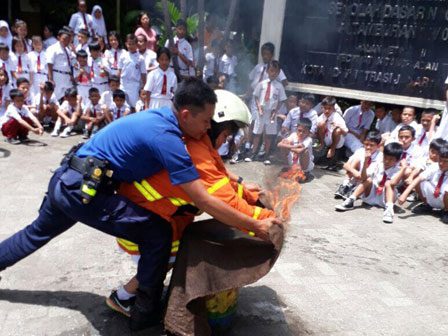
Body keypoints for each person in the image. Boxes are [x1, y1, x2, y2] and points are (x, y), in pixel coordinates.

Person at [0, 78, 279, 332]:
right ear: (186, 114)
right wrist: (255, 224)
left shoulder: (162, 119)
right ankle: (142, 311)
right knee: (157, 233)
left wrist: (240, 183)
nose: (208, 127)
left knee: (34, 234)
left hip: (67, 179)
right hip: (85, 192)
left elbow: (214, 170)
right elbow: (204, 197)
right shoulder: (169, 140)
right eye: (206, 121)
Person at [106, 89, 272, 316]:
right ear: (214, 126)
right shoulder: (195, 151)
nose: (225, 141)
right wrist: (269, 220)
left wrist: (247, 192)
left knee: (172, 254)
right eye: (226, 135)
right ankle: (124, 297)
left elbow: (222, 177)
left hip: (151, 212)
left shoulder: (200, 141)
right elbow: (226, 199)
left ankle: (137, 294)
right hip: (141, 217)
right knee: (168, 258)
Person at [336, 142, 407, 224]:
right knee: (369, 180)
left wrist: (403, 169)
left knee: (388, 183)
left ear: (397, 160)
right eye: (385, 158)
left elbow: (393, 183)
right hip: (372, 194)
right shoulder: (378, 164)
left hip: (386, 198)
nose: (387, 161)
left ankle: (389, 210)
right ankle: (350, 200)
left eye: (391, 159)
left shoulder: (398, 169)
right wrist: (366, 162)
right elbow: (363, 178)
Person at [245, 60, 286, 165]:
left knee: (268, 135)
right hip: (261, 111)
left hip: (271, 112)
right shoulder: (262, 84)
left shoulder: (279, 86)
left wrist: (275, 112)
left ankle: (266, 155)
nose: (273, 73)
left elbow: (281, 100)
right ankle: (253, 153)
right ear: (267, 71)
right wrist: (259, 108)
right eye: (271, 71)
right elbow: (256, 96)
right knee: (257, 133)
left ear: (278, 72)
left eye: (275, 72)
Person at [399, 144, 448, 223]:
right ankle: (426, 205)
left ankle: (446, 211)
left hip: (445, 198)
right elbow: (419, 178)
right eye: (440, 160)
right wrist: (404, 194)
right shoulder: (434, 166)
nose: (441, 163)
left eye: (445, 161)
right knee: (419, 180)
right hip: (434, 195)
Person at [334, 131, 383, 199]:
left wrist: (366, 161)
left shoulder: (380, 157)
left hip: (367, 184)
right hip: (357, 177)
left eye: (371, 145)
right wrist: (355, 172)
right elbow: (345, 165)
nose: (368, 147)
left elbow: (365, 177)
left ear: (378, 146)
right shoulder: (361, 151)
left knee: (366, 178)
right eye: (366, 144)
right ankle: (345, 185)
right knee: (356, 160)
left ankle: (354, 190)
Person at [117, 34, 146, 109]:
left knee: (134, 106)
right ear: (126, 44)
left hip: (135, 85)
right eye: (129, 44)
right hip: (123, 84)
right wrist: (117, 83)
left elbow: (143, 74)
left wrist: (144, 86)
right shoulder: (123, 56)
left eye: (133, 44)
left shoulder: (140, 58)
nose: (131, 46)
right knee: (123, 105)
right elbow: (119, 70)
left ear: (136, 45)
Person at [47, 29, 74, 101]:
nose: (66, 41)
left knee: (68, 95)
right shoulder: (53, 48)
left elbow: (69, 64)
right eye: (64, 39)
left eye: (68, 40)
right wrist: (51, 79)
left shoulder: (68, 49)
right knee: (56, 96)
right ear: (58, 38)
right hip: (57, 74)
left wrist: (71, 74)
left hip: (67, 76)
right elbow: (49, 64)